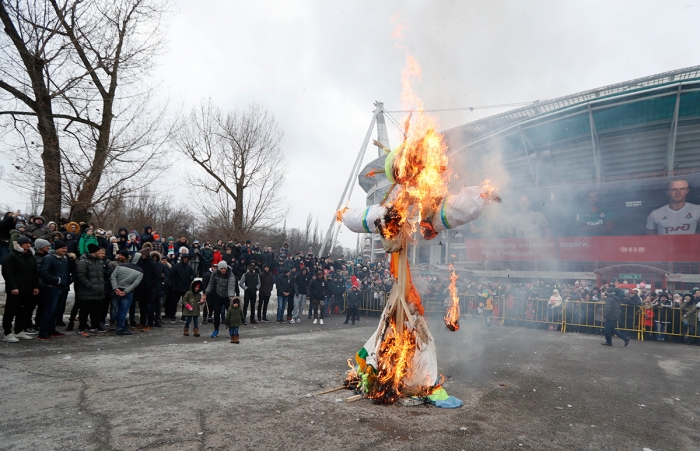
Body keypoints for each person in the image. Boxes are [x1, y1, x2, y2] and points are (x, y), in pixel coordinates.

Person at [1, 236, 40, 342]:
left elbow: (34, 273)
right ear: (20, 244)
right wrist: (13, 287)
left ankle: (19, 330)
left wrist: (35, 286)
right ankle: (7, 333)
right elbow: (7, 273)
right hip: (15, 289)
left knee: (24, 310)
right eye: (26, 243)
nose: (28, 245)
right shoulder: (11, 257)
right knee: (11, 310)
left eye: (29, 243)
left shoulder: (30, 257)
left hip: (27, 288)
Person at [37, 240, 71, 341]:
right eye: (62, 248)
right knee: (49, 310)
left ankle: (52, 329)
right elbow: (43, 272)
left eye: (66, 248)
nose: (65, 250)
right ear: (57, 249)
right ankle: (43, 332)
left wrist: (68, 281)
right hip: (52, 288)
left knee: (56, 310)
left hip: (62, 288)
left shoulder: (64, 259)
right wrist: (57, 280)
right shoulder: (49, 258)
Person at [75, 244, 106, 336]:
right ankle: (82, 327)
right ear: (94, 252)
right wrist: (90, 286)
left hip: (98, 292)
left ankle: (94, 326)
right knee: (84, 311)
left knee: (96, 311)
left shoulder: (99, 262)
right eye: (99, 251)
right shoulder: (83, 262)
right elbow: (80, 276)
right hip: (87, 292)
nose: (101, 253)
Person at [110, 251, 144, 335]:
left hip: (116, 290)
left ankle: (117, 324)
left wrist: (116, 288)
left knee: (116, 308)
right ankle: (120, 328)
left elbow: (113, 276)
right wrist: (125, 291)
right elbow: (135, 284)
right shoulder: (140, 271)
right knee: (123, 310)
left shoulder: (120, 266)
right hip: (127, 292)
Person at [202, 261, 237, 338]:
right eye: (222, 269)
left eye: (225, 268)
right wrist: (206, 293)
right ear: (219, 269)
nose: (223, 270)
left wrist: (231, 297)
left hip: (228, 296)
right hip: (218, 294)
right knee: (216, 313)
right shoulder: (214, 274)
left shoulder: (230, 274)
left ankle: (231, 330)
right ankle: (216, 329)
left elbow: (231, 286)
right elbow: (211, 284)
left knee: (230, 313)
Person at [166, 252, 195, 322]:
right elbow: (172, 277)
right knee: (174, 302)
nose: (185, 260)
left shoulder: (189, 268)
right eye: (184, 258)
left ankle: (183, 316)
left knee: (185, 303)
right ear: (182, 259)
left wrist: (191, 278)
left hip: (186, 287)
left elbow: (193, 275)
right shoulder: (176, 266)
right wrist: (173, 286)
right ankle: (173, 315)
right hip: (177, 288)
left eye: (187, 259)